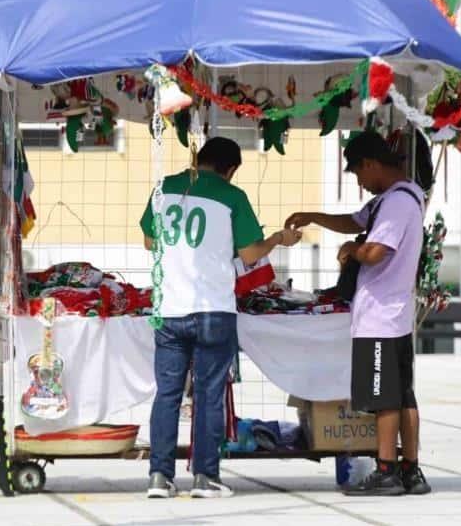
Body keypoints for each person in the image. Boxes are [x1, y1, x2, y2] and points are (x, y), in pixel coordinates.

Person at [141, 137, 302, 499]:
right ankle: (205, 478)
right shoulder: (232, 196)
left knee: (166, 395)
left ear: (198, 158)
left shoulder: (164, 187)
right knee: (209, 395)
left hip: (168, 308)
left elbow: (151, 241)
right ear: (230, 170)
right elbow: (249, 253)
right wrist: (278, 237)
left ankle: (159, 478)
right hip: (213, 308)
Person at [285, 131, 431, 496]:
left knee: (384, 398)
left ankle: (386, 472)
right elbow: (354, 219)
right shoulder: (396, 198)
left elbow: (377, 250)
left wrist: (353, 249)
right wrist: (314, 216)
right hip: (393, 312)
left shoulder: (397, 203)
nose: (360, 183)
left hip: (382, 314)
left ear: (371, 164)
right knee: (402, 397)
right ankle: (410, 470)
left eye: (357, 174)